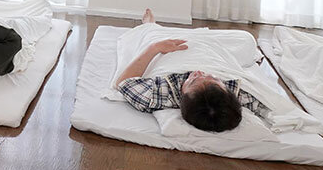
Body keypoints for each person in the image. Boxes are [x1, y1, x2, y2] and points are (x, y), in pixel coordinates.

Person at [115, 9, 269, 132]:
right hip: (210, 48)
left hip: (170, 48)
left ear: (182, 97)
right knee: (247, 40)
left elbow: (123, 82)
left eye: (193, 80)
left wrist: (155, 48)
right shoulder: (235, 94)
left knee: (150, 34)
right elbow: (268, 104)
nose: (200, 72)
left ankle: (150, 25)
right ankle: (199, 35)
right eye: (213, 78)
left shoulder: (162, 95)